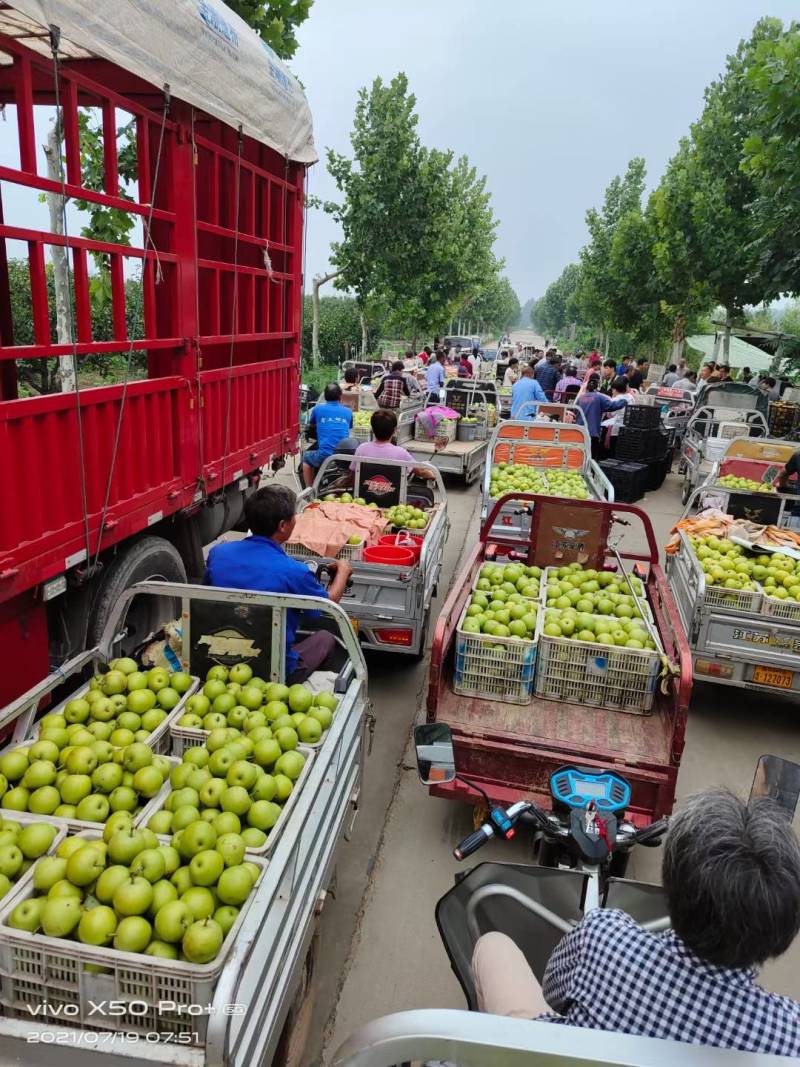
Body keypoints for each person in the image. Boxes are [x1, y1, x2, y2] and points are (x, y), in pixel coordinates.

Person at [471, 790, 800, 1057]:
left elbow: (553, 993)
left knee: (493, 946)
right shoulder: (789, 1035)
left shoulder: (604, 937)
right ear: (780, 932)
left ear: (672, 884)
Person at [206, 485, 352, 682]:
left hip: (220, 658)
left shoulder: (218, 554)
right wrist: (343, 570)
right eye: (294, 517)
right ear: (283, 526)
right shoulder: (294, 572)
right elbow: (328, 605)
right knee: (325, 637)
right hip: (275, 667)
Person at [352, 409, 432, 479]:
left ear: (372, 429)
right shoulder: (401, 453)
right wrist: (432, 475)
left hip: (363, 495)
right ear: (394, 430)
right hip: (394, 496)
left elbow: (353, 474)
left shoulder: (361, 449)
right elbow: (421, 471)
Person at [303, 383, 353, 487]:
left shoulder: (317, 409)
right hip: (344, 455)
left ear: (325, 396)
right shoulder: (348, 411)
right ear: (340, 396)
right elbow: (349, 427)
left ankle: (309, 490)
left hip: (324, 455)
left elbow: (312, 424)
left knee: (306, 458)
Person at [577, 374, 627, 458]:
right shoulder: (599, 397)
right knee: (590, 457)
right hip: (592, 432)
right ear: (597, 388)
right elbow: (612, 406)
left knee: (579, 456)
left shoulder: (581, 398)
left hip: (579, 432)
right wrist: (624, 400)